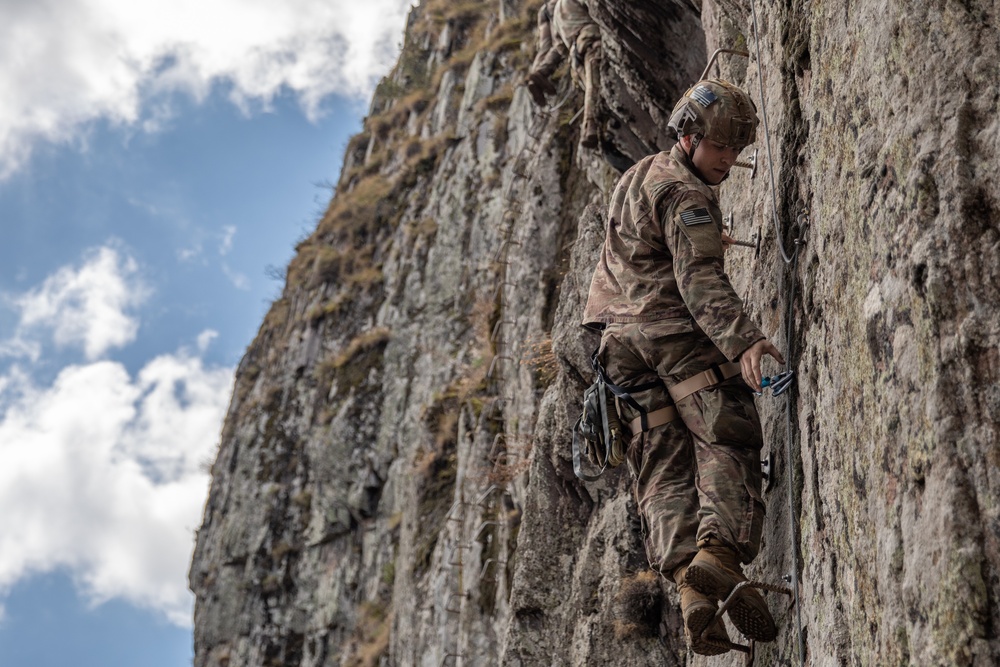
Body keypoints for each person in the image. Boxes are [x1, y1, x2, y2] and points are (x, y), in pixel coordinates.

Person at [581, 79, 784, 655]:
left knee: (663, 462)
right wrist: (744, 341)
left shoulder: (640, 174)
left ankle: (692, 592)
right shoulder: (688, 196)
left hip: (618, 351)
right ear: (689, 137)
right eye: (721, 147)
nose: (730, 159)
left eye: (736, 149)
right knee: (727, 433)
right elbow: (700, 284)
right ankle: (719, 557)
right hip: (675, 336)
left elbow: (636, 251)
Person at [525, 0, 601, 149]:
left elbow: (558, 46)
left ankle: (540, 71)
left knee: (591, 87)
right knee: (594, 83)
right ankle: (590, 125)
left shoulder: (555, 14)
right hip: (590, 37)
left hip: (574, 53)